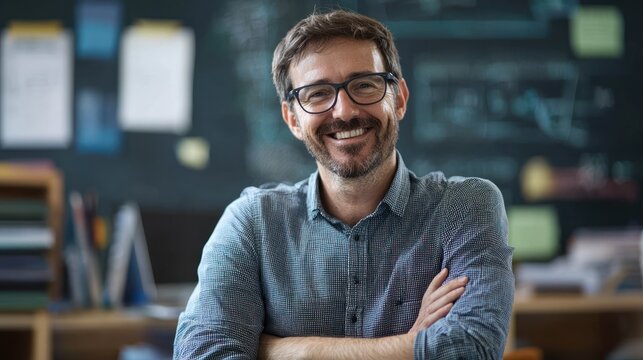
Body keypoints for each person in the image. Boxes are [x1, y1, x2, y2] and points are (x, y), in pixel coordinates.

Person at [174, 9, 514, 360]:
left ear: (398, 99)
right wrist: (412, 344)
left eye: (364, 85)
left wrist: (280, 350)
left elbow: (473, 346)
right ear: (292, 118)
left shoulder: (464, 206)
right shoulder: (252, 223)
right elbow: (202, 353)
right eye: (318, 93)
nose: (343, 111)